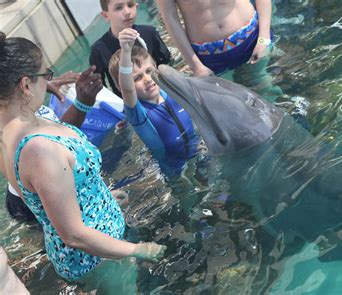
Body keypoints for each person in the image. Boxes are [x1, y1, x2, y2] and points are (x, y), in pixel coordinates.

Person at [0, 32, 165, 292]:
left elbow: (44, 201)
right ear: (25, 85)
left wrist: (97, 196)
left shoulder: (9, 131)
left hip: (95, 242)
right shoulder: (38, 150)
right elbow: (74, 234)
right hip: (96, 258)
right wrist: (139, 249)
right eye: (46, 76)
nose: (50, 82)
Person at [2, 66, 103, 223]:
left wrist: (41, 84)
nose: (48, 77)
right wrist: (81, 105)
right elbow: (56, 143)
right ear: (25, 84)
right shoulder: (12, 125)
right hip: (30, 198)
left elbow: (55, 138)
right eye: (45, 74)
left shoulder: (27, 105)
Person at [108, 28, 199, 176]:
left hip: (199, 152)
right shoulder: (138, 113)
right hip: (176, 172)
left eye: (149, 71)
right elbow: (127, 89)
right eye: (137, 78)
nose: (147, 79)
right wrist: (125, 51)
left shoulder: (170, 91)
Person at [90, 0, 171, 96]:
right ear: (106, 15)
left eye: (130, 5)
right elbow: (101, 89)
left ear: (136, 6)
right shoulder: (99, 50)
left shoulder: (150, 33)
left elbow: (167, 66)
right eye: (119, 8)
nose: (127, 12)